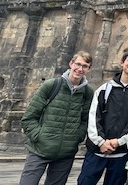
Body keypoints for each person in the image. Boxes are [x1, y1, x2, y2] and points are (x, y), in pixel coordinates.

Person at [19, 51, 94, 185]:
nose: (80, 69)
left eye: (85, 66)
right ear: (71, 64)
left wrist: (76, 138)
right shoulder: (51, 85)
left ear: (88, 69)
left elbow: (85, 120)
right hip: (40, 149)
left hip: (65, 153)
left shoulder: (88, 92)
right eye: (78, 64)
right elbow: (29, 117)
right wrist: (39, 136)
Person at [78, 50, 128, 185]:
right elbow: (94, 116)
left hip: (121, 152)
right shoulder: (104, 89)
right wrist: (100, 142)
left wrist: (119, 141)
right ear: (122, 63)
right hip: (97, 150)